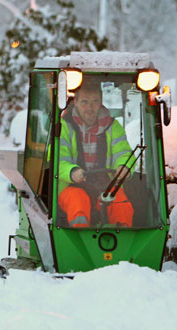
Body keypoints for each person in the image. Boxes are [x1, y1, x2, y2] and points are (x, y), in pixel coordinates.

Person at [57, 79, 134, 228]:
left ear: (100, 102)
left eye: (94, 102)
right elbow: (57, 160)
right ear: (76, 102)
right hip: (71, 185)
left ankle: (124, 242)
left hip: (105, 184)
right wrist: (72, 172)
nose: (90, 108)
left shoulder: (113, 127)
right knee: (78, 201)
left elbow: (124, 153)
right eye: (85, 102)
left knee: (119, 201)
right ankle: (80, 244)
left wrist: (124, 167)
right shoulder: (63, 127)